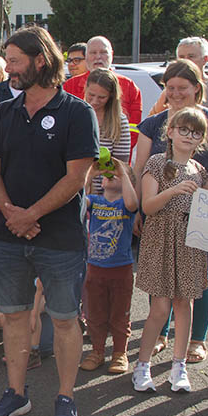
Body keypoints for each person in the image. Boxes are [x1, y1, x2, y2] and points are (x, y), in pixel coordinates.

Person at [0, 25, 97, 416]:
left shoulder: (77, 114)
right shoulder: (4, 112)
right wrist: (11, 213)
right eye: (7, 60)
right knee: (12, 317)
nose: (8, 69)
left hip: (60, 239)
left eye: (14, 61)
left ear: (40, 61)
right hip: (11, 235)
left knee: (65, 320)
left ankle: (65, 398)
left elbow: (76, 178)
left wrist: (32, 215)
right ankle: (16, 393)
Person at [132, 59, 208, 364]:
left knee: (197, 282)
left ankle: (196, 340)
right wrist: (140, 208)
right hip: (160, 217)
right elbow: (140, 168)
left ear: (196, 88)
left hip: (199, 219)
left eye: (183, 88)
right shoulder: (153, 124)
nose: (176, 93)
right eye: (170, 88)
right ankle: (162, 333)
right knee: (159, 279)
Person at [80, 160, 138, 374]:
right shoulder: (94, 201)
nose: (110, 173)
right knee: (95, 313)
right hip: (95, 268)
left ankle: (119, 353)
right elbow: (78, 200)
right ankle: (97, 351)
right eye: (108, 174)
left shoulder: (125, 204)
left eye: (117, 173)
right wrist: (89, 172)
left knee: (119, 315)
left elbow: (133, 204)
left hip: (121, 269)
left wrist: (123, 173)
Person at [62, 36, 142, 150]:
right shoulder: (70, 86)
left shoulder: (129, 86)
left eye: (103, 52)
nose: (98, 57)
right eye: (93, 52)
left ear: (112, 54)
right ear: (86, 56)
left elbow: (133, 130)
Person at [81, 68, 130, 195]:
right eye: (91, 95)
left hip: (106, 195)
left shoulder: (119, 121)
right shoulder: (76, 115)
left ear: (111, 97)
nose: (94, 101)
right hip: (78, 190)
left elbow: (121, 165)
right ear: (85, 88)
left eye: (101, 97)